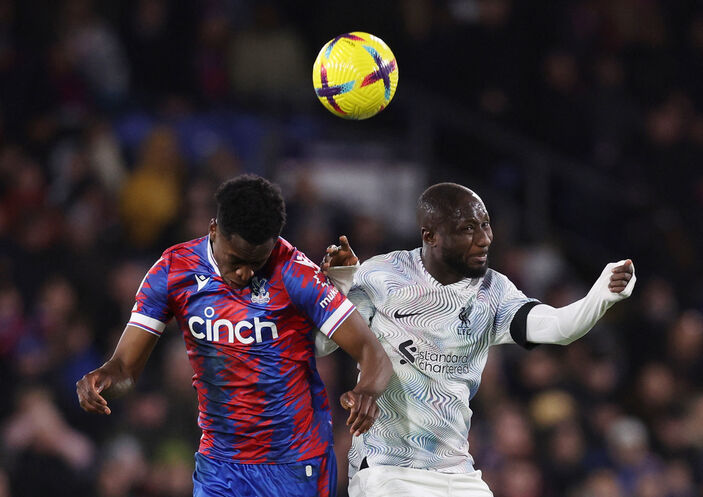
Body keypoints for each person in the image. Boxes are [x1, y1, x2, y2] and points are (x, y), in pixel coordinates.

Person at [76, 174, 392, 497]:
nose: (245, 273)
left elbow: (373, 354)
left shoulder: (295, 272)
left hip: (295, 464)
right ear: (214, 229)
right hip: (220, 465)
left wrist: (366, 390)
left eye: (258, 262)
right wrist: (103, 380)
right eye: (236, 260)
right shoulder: (174, 270)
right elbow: (125, 368)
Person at [320, 182, 636, 497]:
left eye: (485, 225)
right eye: (467, 229)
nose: (484, 239)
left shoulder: (493, 291)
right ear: (430, 235)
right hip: (387, 470)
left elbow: (558, 328)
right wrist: (340, 285)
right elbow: (324, 345)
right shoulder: (381, 276)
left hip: (457, 473)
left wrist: (601, 296)